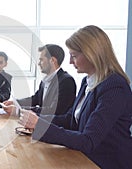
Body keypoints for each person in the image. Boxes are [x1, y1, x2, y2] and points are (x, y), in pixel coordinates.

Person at [18, 25, 132, 169]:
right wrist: (35, 119)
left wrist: (40, 126)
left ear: (92, 54)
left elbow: (88, 140)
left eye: (74, 56)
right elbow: (70, 119)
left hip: (105, 163)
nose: (70, 62)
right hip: (84, 158)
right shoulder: (87, 81)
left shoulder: (114, 87)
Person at [3, 44, 76, 115]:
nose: (38, 63)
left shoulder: (66, 81)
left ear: (52, 60)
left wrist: (19, 110)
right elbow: (35, 99)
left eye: (41, 60)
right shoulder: (45, 80)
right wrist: (15, 103)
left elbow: (53, 111)